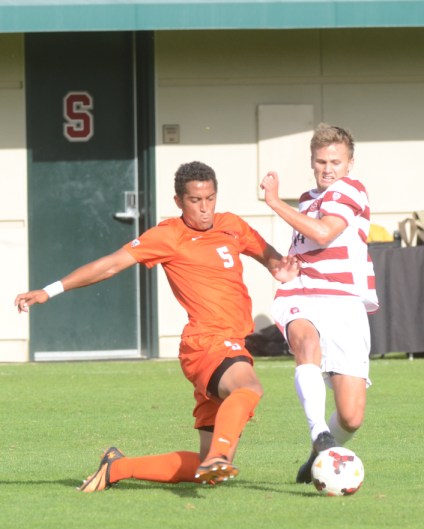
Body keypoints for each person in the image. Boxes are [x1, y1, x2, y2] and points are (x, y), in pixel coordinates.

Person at [15, 160, 298, 492]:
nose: (204, 208)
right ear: (179, 201)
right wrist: (50, 290)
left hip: (230, 341)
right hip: (207, 342)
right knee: (248, 388)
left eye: (210, 198)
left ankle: (118, 467)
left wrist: (280, 268)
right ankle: (217, 456)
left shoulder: (232, 225)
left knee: (205, 471)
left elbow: (270, 257)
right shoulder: (169, 236)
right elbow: (110, 265)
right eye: (195, 200)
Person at [260, 124, 379, 484]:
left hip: (343, 302)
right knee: (306, 345)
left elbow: (325, 232)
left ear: (350, 163)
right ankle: (319, 434)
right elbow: (305, 250)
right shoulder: (306, 198)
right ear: (312, 162)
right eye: (321, 161)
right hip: (303, 294)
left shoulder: (351, 189)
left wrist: (275, 202)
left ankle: (317, 454)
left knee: (352, 416)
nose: (328, 168)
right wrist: (286, 270)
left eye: (335, 161)